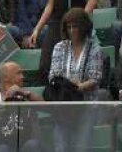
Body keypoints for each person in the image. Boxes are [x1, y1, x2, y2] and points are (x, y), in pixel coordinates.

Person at [47, 8, 102, 152]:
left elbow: (95, 78)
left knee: (82, 147)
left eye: (75, 26)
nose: (72, 30)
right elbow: (53, 75)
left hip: (86, 105)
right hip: (63, 104)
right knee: (61, 147)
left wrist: (73, 87)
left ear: (84, 27)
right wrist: (72, 87)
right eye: (69, 27)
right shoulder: (59, 47)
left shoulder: (94, 48)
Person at [0, 62, 43, 152]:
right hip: (4, 146)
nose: (23, 77)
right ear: (6, 78)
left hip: (28, 146)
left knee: (32, 145)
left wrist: (27, 94)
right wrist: (0, 109)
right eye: (18, 73)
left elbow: (51, 109)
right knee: (2, 149)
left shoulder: (27, 99)